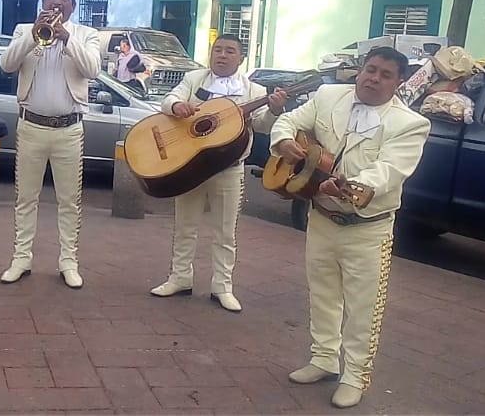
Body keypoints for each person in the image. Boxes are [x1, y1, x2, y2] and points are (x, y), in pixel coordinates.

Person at [269, 46, 431, 408]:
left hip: (368, 228)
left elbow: (388, 171)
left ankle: (355, 376)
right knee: (322, 294)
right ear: (360, 70)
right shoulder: (329, 96)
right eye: (370, 69)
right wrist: (283, 142)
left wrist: (346, 187)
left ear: (398, 83)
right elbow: (289, 121)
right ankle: (324, 358)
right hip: (321, 219)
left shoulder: (410, 124)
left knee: (363, 307)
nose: (374, 78)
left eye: (385, 74)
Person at [149, 34, 287, 311]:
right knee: (185, 225)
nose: (222, 55)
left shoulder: (255, 91)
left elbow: (262, 126)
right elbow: (169, 99)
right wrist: (177, 106)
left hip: (229, 168)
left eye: (230, 51)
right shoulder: (194, 79)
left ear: (241, 58)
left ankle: (222, 286)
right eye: (218, 50)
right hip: (190, 164)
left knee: (225, 231)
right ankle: (180, 278)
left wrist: (274, 110)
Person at [0, 0, 100, 289]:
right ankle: (21, 258)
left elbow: (92, 70)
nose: (58, 2)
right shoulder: (22, 29)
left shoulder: (87, 35)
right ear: (43, 1)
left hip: (69, 129)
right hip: (30, 126)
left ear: (72, 5)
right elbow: (7, 63)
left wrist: (67, 38)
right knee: (25, 198)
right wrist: (32, 35)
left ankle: (68, 262)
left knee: (69, 201)